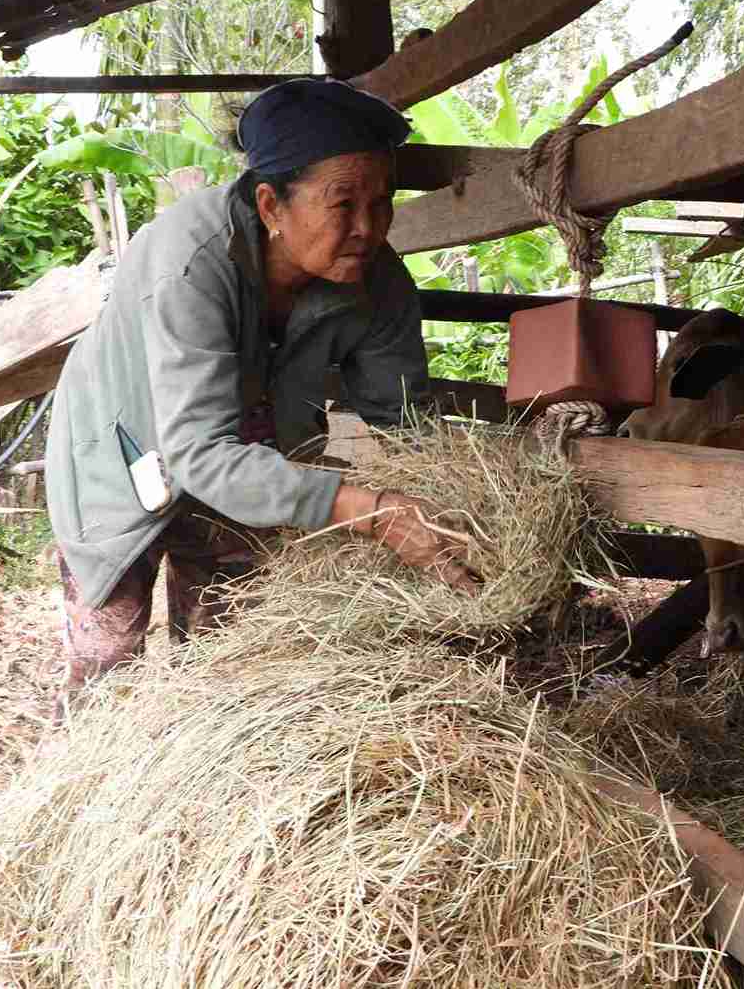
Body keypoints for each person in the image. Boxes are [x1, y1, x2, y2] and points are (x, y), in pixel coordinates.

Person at [45, 78, 476, 717]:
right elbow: (198, 452)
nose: (368, 228)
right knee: (109, 660)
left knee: (231, 663)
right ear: (272, 205)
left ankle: (208, 788)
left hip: (252, 465)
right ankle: (88, 792)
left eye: (382, 203)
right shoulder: (192, 261)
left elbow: (396, 419)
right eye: (343, 203)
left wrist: (393, 487)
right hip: (125, 455)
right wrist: (370, 510)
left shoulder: (378, 279)